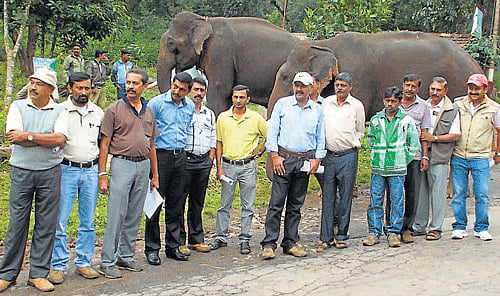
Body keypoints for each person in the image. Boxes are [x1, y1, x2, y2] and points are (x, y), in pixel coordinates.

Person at [0, 68, 67, 293]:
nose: (33, 87)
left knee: (46, 223)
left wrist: (28, 136)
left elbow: (60, 139)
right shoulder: (17, 107)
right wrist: (45, 139)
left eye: (39, 84)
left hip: (50, 171)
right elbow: (13, 137)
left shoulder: (60, 110)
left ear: (51, 89)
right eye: (32, 82)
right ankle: (7, 274)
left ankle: (38, 273)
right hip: (21, 172)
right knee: (17, 223)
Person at [98, 68, 159, 278]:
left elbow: (151, 144)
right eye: (128, 82)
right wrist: (102, 174)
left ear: (144, 86)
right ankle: (107, 261)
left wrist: (155, 175)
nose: (130, 86)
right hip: (121, 165)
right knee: (117, 214)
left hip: (143, 167)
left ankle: (125, 256)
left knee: (134, 214)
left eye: (135, 83)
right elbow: (104, 144)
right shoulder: (114, 109)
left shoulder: (149, 112)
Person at [261, 72, 325, 259]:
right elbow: (272, 132)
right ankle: (269, 244)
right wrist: (274, 156)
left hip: (305, 161)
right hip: (284, 159)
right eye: (297, 85)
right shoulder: (283, 104)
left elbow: (321, 135)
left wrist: (317, 158)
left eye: (303, 86)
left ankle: (290, 242)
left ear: (311, 88)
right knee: (276, 203)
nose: (299, 89)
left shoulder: (317, 109)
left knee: (296, 205)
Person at [48, 72, 103, 284]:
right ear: (69, 88)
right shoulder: (59, 110)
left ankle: (83, 262)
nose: (83, 92)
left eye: (87, 88)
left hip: (90, 170)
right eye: (79, 88)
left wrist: (101, 172)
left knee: (88, 220)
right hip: (66, 170)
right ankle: (59, 265)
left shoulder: (97, 113)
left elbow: (102, 143)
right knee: (60, 220)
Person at [209, 85, 267, 255]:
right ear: (232, 98)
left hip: (247, 166)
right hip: (228, 165)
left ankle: (244, 239)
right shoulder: (223, 118)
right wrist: (219, 168)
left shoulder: (255, 118)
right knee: (224, 204)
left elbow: (270, 135)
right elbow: (218, 143)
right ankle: (220, 237)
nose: (238, 100)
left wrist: (260, 151)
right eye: (235, 97)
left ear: (248, 99)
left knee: (248, 205)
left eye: (242, 97)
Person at [145, 72, 195, 263]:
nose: (177, 91)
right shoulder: (156, 103)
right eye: (175, 87)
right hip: (160, 157)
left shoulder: (189, 106)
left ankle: (173, 246)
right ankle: (151, 248)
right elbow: (148, 133)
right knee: (155, 202)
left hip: (180, 156)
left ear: (187, 91)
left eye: (182, 89)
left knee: (176, 204)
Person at [363, 86, 420, 248]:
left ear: (399, 102)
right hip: (378, 168)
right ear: (383, 101)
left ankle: (393, 232)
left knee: (396, 200)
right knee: (375, 200)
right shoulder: (375, 120)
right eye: (387, 101)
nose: (390, 104)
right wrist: (375, 155)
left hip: (398, 168)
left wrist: (402, 159)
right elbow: (370, 141)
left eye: (393, 101)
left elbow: (413, 144)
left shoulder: (406, 120)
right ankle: (374, 232)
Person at [450, 73, 500, 241]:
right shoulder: (458, 103)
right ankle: (459, 227)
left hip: (481, 156)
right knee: (459, 193)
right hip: (459, 154)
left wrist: (498, 153)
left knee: (482, 193)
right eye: (471, 87)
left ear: (485, 89)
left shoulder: (494, 107)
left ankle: (481, 227)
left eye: (477, 88)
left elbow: (499, 131)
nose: (473, 91)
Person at [318, 72, 365, 251]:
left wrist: (350, 143)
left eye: (343, 85)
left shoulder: (356, 106)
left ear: (350, 87)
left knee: (346, 196)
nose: (339, 88)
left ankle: (342, 235)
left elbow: (360, 130)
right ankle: (326, 237)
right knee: (328, 196)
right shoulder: (326, 103)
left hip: (348, 155)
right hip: (328, 155)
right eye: (337, 84)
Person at [387, 74, 431, 243]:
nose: (409, 89)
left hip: (414, 156)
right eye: (407, 85)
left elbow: (425, 133)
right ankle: (392, 228)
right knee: (393, 193)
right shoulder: (394, 103)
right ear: (403, 85)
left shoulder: (424, 106)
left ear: (418, 88)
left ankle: (407, 229)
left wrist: (425, 156)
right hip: (394, 157)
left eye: (413, 86)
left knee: (411, 194)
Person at [414, 77, 460, 241]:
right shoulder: (422, 105)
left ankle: (436, 228)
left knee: (438, 192)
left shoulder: (452, 110)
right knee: (421, 191)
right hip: (421, 153)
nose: (434, 92)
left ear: (445, 91)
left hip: (439, 154)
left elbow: (455, 134)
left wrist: (434, 138)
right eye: (432, 89)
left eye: (438, 90)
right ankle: (419, 225)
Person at [180, 77, 215, 254]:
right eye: (196, 90)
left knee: (197, 202)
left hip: (203, 162)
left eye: (202, 90)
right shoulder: (182, 111)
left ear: (205, 93)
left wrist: (210, 159)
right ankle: (179, 241)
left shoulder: (209, 114)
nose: (199, 93)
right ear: (189, 91)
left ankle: (196, 239)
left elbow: (213, 137)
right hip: (185, 161)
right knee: (179, 201)